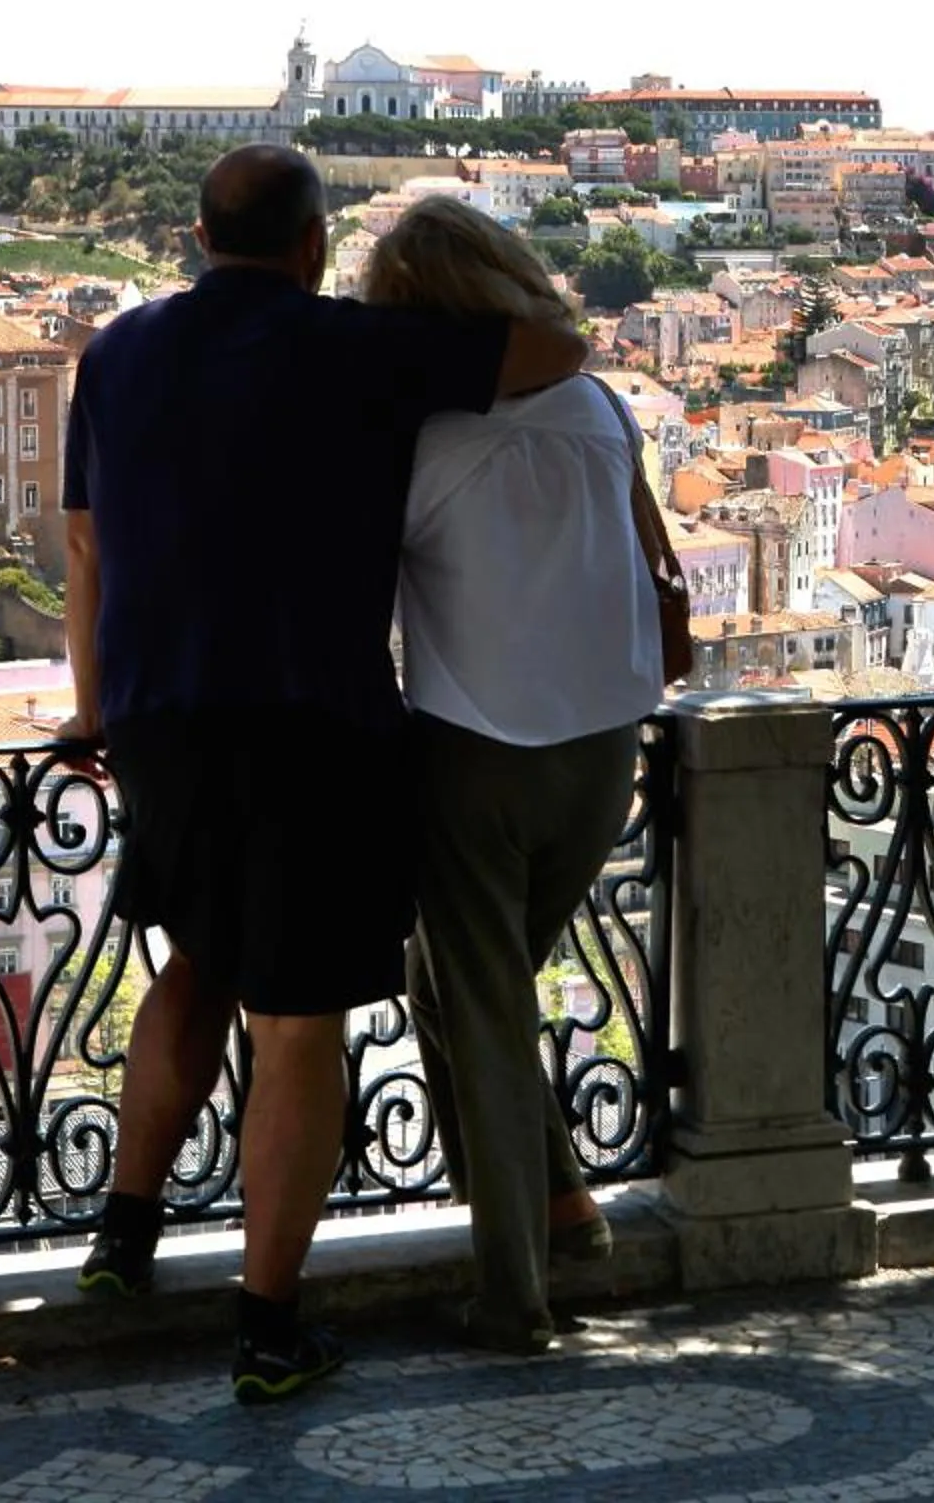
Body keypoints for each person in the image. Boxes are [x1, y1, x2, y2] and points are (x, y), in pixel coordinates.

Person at [60, 145, 591, 1404]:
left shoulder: (116, 353)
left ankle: (121, 1242)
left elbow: (83, 544)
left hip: (160, 719)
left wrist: (94, 714)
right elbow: (558, 348)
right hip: (317, 725)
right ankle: (268, 1326)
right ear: (310, 246)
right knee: (298, 1022)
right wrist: (453, 283)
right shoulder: (359, 346)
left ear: (197, 235)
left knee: (195, 959)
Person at [359, 197, 670, 1355]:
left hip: (473, 752)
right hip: (604, 754)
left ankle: (514, 1295)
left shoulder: (425, 445)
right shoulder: (603, 411)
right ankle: (566, 1205)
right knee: (456, 991)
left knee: (481, 1011)